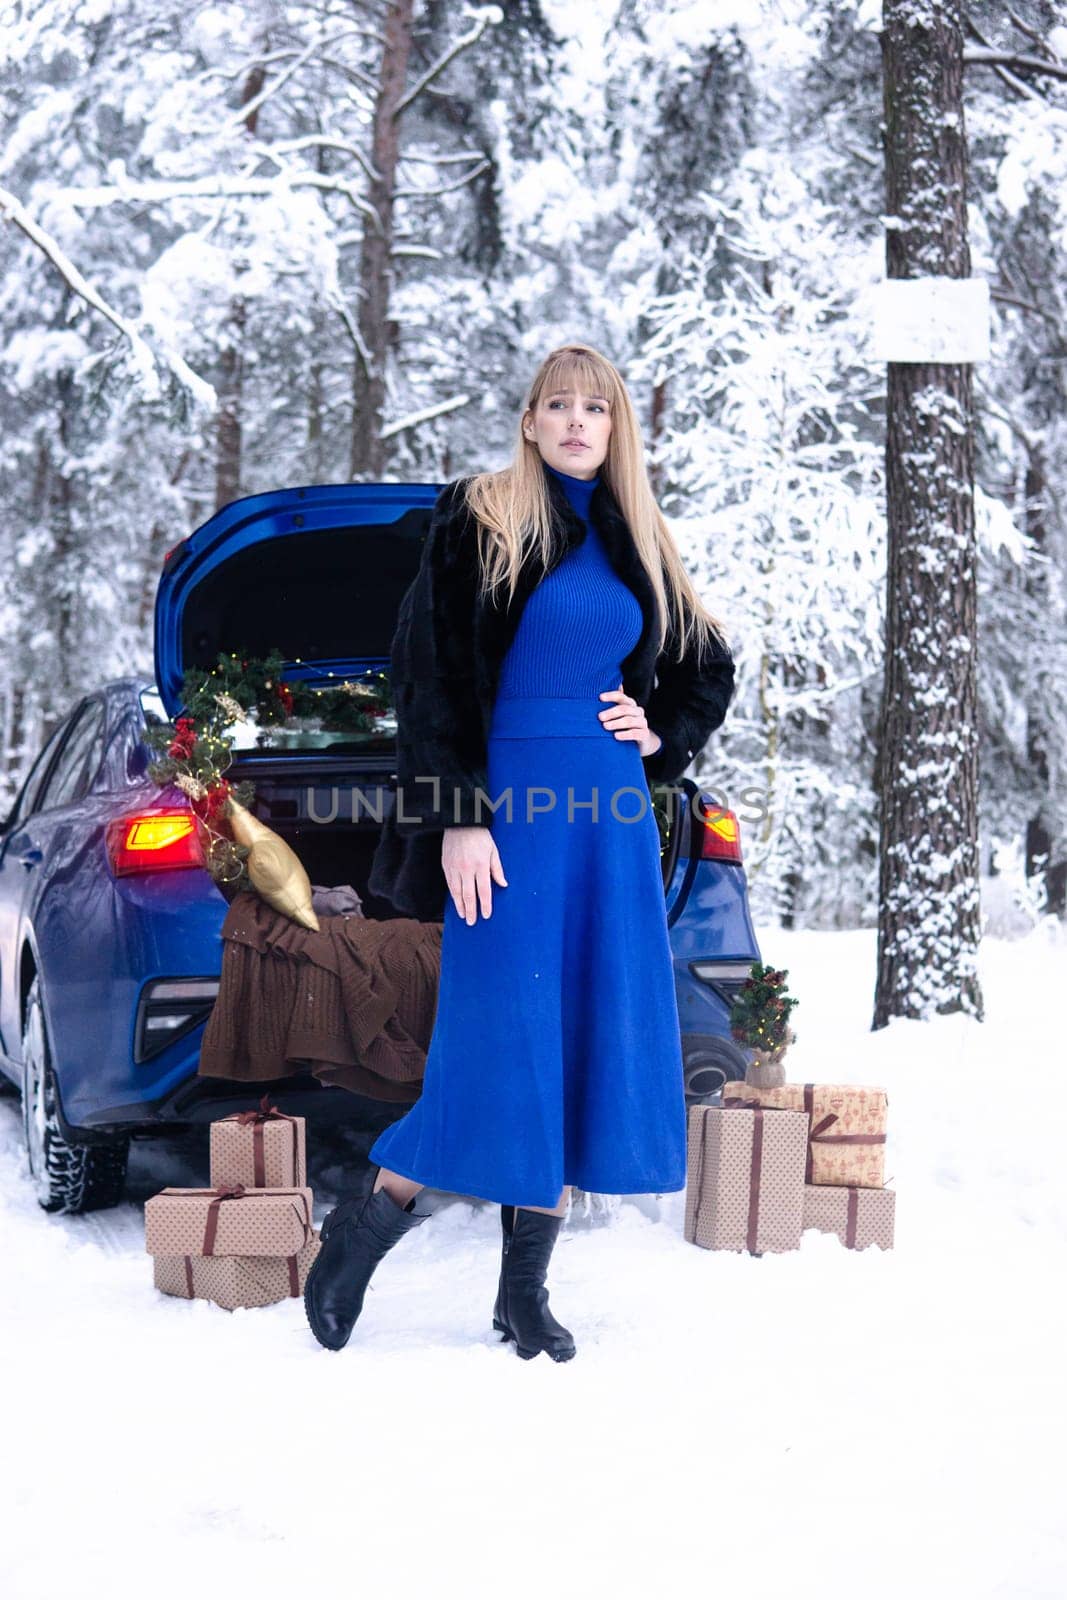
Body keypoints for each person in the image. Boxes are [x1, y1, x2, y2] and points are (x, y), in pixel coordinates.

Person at [304, 343, 736, 1361]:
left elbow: (705, 665)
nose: (578, 421)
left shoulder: (637, 534)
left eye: (596, 407)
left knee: (578, 1037)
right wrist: (458, 814)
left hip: (608, 817)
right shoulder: (481, 515)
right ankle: (365, 1227)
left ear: (614, 426)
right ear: (530, 420)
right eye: (558, 404)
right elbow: (431, 674)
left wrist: (659, 729)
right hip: (508, 809)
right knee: (496, 1043)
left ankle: (523, 1292)